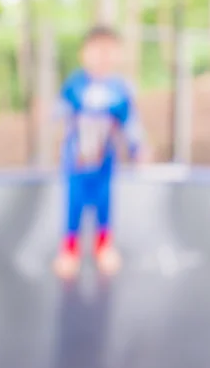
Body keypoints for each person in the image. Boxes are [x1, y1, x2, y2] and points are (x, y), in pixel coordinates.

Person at [53, 25, 151, 279]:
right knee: (74, 202)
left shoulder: (121, 90)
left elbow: (131, 123)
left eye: (109, 51)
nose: (103, 56)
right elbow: (60, 110)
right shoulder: (74, 85)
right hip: (76, 159)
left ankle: (103, 245)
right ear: (83, 53)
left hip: (105, 159)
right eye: (97, 50)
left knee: (104, 202)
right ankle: (70, 248)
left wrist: (138, 147)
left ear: (118, 55)